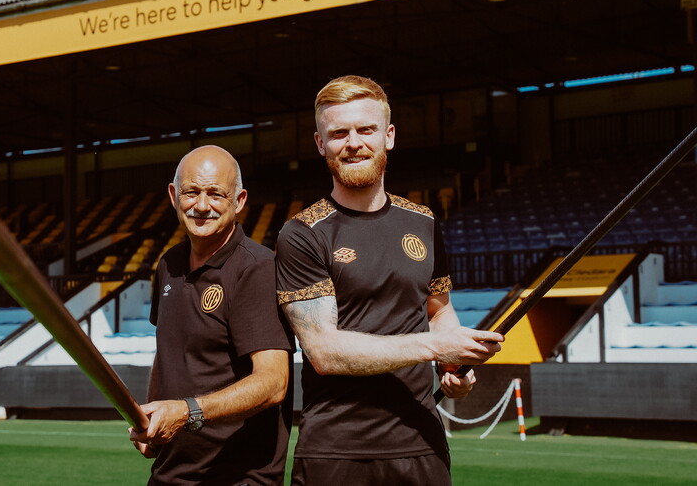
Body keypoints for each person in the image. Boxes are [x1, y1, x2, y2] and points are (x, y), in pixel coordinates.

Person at [274, 75, 504, 485]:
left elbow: (439, 310)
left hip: (421, 445)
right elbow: (324, 351)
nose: (354, 142)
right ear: (319, 144)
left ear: (389, 136)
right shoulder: (302, 233)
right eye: (339, 133)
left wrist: (453, 365)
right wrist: (436, 346)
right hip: (335, 452)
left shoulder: (425, 222)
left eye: (366, 129)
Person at [130, 145, 294, 486]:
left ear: (239, 200)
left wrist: (186, 412)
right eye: (191, 192)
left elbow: (273, 383)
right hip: (170, 474)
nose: (201, 206)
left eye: (216, 194)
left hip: (239, 477)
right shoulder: (167, 264)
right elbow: (167, 352)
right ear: (174, 196)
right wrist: (152, 419)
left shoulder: (257, 268)